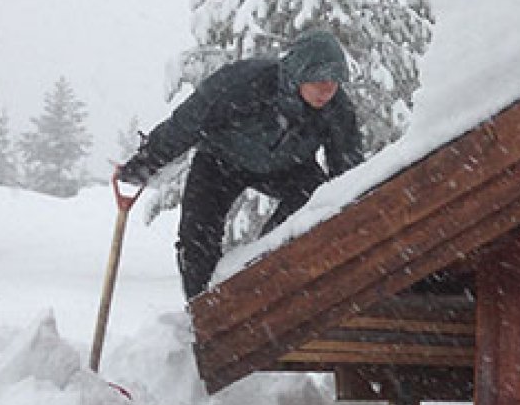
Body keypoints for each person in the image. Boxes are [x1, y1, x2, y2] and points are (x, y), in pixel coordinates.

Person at [118, 30, 364, 299]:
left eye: (335, 81)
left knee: (315, 204)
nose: (328, 89)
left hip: (288, 168)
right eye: (319, 79)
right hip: (220, 162)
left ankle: (265, 272)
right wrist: (145, 163)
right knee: (196, 238)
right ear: (298, 73)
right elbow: (187, 123)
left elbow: (347, 173)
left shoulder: (337, 109)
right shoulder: (244, 83)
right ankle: (203, 312)